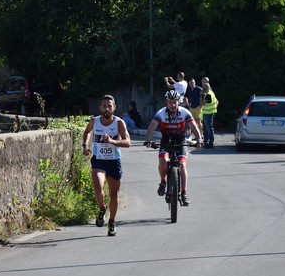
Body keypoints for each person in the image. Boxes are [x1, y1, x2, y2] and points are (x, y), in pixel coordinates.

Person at [82, 95, 131, 236]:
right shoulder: (94, 121)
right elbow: (87, 132)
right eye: (104, 106)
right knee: (97, 185)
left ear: (114, 107)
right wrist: (85, 145)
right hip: (99, 160)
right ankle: (102, 208)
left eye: (110, 106)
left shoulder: (119, 123)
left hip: (114, 161)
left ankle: (112, 221)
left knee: (114, 194)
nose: (107, 109)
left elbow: (127, 142)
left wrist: (112, 141)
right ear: (100, 108)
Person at [143, 90, 202, 206]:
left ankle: (184, 193)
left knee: (183, 165)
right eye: (170, 102)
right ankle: (163, 181)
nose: (173, 105)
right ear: (166, 103)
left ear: (178, 102)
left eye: (175, 102)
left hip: (181, 141)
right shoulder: (160, 113)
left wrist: (199, 139)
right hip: (166, 141)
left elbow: (194, 127)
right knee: (163, 161)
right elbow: (151, 127)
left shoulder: (185, 112)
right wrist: (147, 140)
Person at [201, 81, 218, 148]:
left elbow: (202, 103)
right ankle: (206, 142)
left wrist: (201, 95)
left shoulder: (208, 95)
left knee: (208, 128)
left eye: (203, 87)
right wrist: (214, 108)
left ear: (205, 88)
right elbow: (217, 102)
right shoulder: (211, 93)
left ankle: (210, 142)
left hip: (208, 114)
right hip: (208, 113)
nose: (202, 88)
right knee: (205, 128)